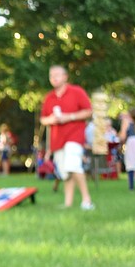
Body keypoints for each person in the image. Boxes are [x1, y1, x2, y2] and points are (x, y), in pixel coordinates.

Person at [40, 65, 94, 210]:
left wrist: (69, 117)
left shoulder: (77, 92)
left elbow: (89, 111)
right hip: (57, 140)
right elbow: (43, 119)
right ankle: (68, 203)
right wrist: (51, 119)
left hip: (75, 136)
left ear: (65, 76)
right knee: (65, 172)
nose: (54, 78)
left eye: (57, 74)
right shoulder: (49, 97)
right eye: (51, 75)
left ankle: (87, 200)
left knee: (73, 165)